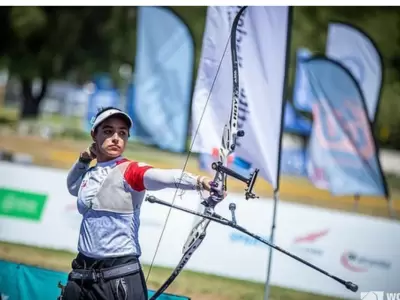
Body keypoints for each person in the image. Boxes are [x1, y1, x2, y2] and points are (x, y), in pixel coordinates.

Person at [60, 106, 214, 300]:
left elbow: (163, 176)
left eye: (122, 133)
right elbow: (72, 186)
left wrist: (200, 182)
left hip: (118, 279)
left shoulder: (131, 171)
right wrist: (84, 159)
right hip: (82, 276)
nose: (116, 138)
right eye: (108, 131)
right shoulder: (90, 174)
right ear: (94, 134)